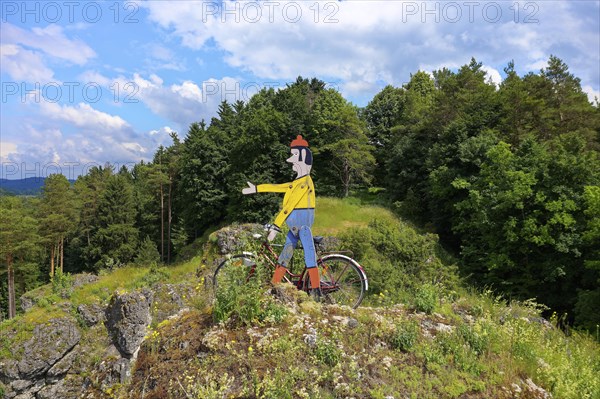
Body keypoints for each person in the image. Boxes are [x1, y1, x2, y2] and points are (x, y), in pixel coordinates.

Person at [242, 135, 320, 295]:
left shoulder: (305, 182)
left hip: (302, 227)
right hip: (294, 229)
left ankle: (317, 289)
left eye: (294, 156)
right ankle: (274, 286)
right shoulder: (296, 182)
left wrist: (276, 226)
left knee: (309, 257)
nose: (290, 160)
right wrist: (256, 188)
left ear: (303, 158)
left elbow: (289, 207)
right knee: (284, 256)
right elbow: (277, 187)